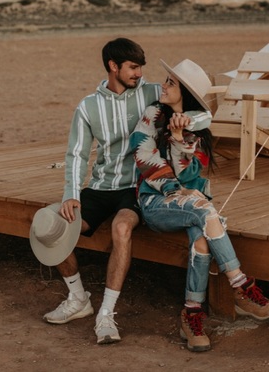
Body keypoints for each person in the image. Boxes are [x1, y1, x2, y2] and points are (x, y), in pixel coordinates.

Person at [42, 38, 211, 345]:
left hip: (135, 188)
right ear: (113, 66)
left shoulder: (152, 93)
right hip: (100, 186)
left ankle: (106, 314)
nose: (139, 73)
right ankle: (78, 297)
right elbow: (77, 154)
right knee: (53, 226)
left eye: (141, 67)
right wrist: (71, 194)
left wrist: (190, 120)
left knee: (121, 228)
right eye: (133, 67)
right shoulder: (88, 106)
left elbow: (200, 110)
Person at [130, 58, 269, 352]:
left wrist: (179, 139)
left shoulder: (198, 130)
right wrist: (175, 190)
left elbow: (189, 176)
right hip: (155, 202)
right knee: (205, 209)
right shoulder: (151, 115)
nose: (163, 86)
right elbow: (143, 155)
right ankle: (241, 286)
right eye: (166, 80)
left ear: (185, 93)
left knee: (201, 240)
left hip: (192, 204)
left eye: (171, 83)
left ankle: (191, 315)